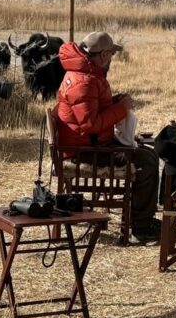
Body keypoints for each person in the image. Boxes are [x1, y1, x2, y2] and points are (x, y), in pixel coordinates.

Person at [56, 31, 161, 243]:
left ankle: (141, 220)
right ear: (103, 55)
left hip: (87, 145)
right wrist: (121, 109)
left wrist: (114, 102)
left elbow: (91, 110)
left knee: (147, 156)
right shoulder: (84, 81)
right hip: (86, 153)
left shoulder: (85, 74)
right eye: (111, 54)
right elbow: (90, 124)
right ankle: (141, 226)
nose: (112, 59)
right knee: (147, 162)